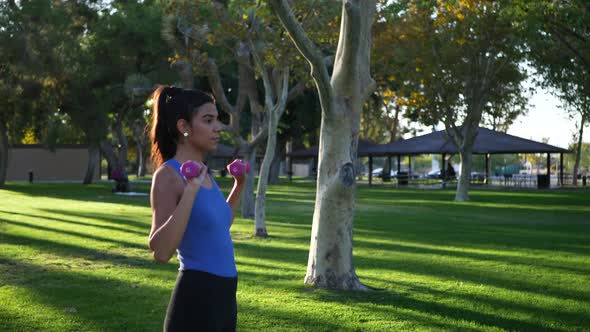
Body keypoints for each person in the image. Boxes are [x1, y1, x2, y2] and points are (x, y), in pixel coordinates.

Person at [148, 86, 245, 332]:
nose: (218, 127)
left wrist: (239, 186)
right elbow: (161, 251)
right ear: (184, 127)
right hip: (197, 296)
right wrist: (190, 190)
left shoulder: (203, 174)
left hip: (224, 296)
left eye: (217, 120)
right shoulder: (169, 175)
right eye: (208, 120)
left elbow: (218, 226)